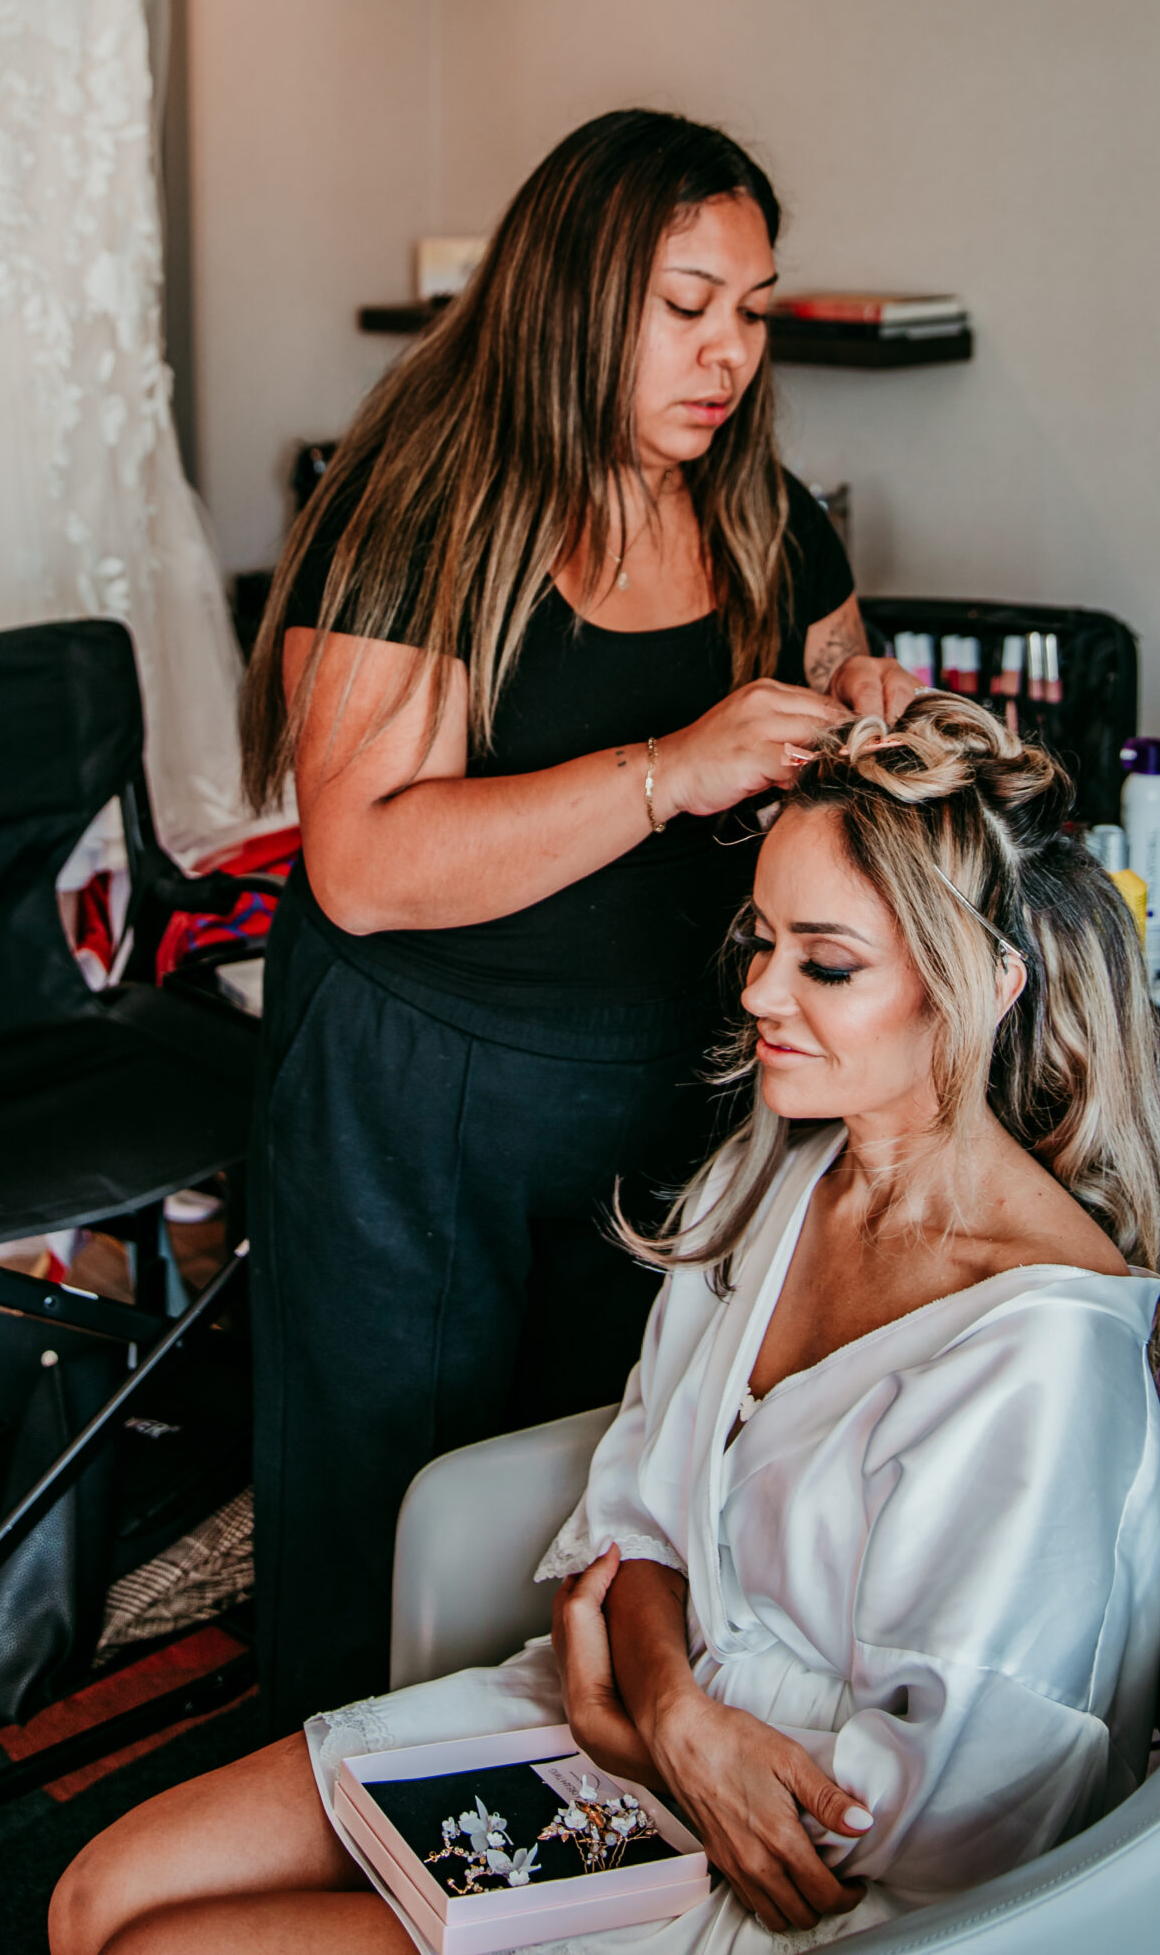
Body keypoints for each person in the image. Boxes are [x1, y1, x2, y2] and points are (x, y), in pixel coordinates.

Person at [52, 695, 1160, 1955]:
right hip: (632, 1712)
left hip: (818, 1891)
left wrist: (656, 1729)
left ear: (986, 985)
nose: (760, 990)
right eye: (760, 941)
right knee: (96, 1899)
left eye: (826, 963)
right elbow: (636, 1505)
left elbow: (947, 1832)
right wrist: (659, 1705)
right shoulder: (776, 1176)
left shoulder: (1037, 1362)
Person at [238, 110, 918, 1732]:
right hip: (426, 1083)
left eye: (751, 311)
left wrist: (867, 708)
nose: (727, 356)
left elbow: (836, 675)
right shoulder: (420, 513)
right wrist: (667, 772)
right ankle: (345, 1806)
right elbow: (365, 868)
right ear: (571, 293)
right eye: (686, 306)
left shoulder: (761, 511)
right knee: (388, 1498)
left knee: (601, 1479)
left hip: (671, 1077)